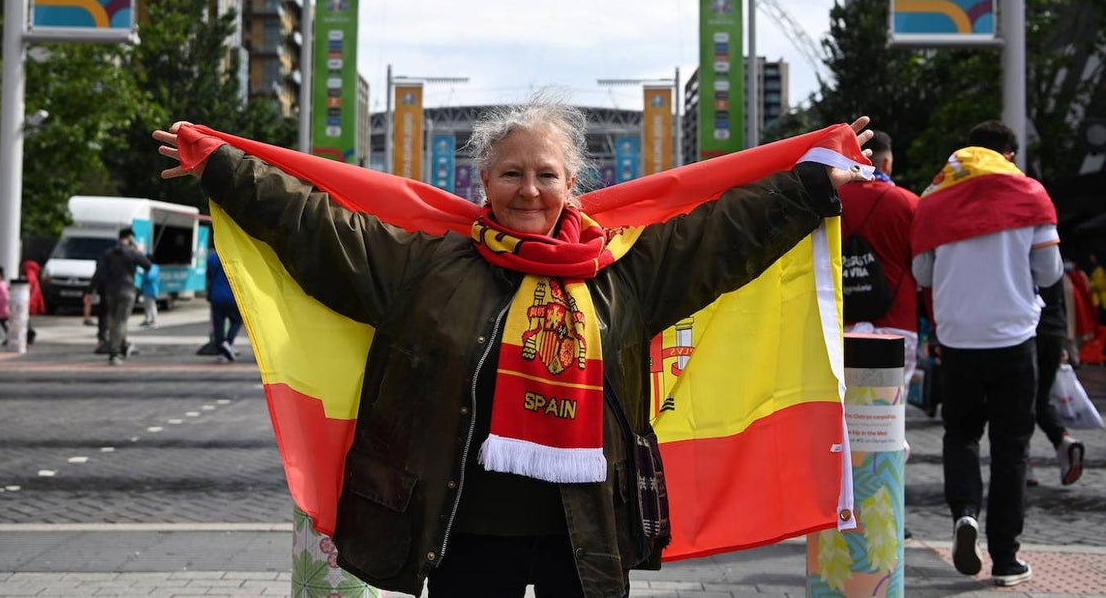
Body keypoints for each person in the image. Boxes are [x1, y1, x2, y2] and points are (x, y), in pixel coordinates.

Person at [154, 105, 872, 598]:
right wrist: (222, 168)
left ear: (572, 186)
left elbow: (722, 233)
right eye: (512, 174)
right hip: (461, 529)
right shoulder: (425, 266)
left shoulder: (627, 272)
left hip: (586, 528)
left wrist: (810, 184)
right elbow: (315, 226)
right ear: (483, 183)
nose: (529, 189)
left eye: (546, 174)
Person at [912, 120, 1063, 588]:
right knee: (1011, 450)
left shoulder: (935, 200)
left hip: (957, 340)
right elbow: (1049, 271)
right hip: (1014, 339)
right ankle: (1006, 559)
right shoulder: (1031, 196)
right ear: (1009, 155)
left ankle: (963, 515)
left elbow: (922, 273)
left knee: (960, 436)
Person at [837, 130, 920, 388]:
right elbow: (924, 270)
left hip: (839, 320)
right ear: (885, 163)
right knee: (890, 413)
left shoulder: (828, 203)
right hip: (897, 323)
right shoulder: (910, 204)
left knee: (843, 410)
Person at [1032, 276, 1085, 486]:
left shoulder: (1016, 247)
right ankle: (1063, 441)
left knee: (1018, 400)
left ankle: (1024, 465)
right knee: (1041, 398)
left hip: (1027, 331)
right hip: (1054, 330)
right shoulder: (1051, 254)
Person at [96, 227, 151, 365]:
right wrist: (138, 249)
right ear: (130, 237)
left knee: (113, 320)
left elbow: (99, 272)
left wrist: (90, 290)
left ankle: (123, 345)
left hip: (111, 290)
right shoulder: (132, 252)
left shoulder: (108, 253)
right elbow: (147, 265)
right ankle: (114, 353)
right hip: (127, 290)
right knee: (121, 321)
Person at [207, 247, 243, 363]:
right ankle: (228, 342)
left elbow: (209, 276)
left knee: (218, 323)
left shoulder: (212, 257)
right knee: (237, 320)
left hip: (215, 296)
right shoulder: (234, 257)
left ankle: (221, 349)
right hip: (231, 296)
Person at [140, 254, 161, 328]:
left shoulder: (154, 267)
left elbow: (150, 277)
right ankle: (147, 319)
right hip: (147, 289)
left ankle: (154, 320)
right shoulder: (149, 267)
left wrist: (142, 274)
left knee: (151, 305)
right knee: (147, 306)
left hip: (152, 289)